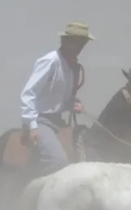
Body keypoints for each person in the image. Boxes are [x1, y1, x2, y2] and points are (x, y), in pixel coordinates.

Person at [20, 21, 93, 174]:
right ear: (65, 42)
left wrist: (72, 104)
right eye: (77, 42)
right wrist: (32, 126)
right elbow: (28, 93)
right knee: (58, 161)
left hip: (58, 121)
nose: (80, 47)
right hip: (40, 121)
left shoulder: (72, 66)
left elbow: (61, 99)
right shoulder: (50, 61)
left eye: (83, 43)